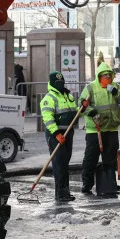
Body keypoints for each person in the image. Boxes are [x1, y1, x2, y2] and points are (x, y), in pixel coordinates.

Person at [79, 62, 120, 198]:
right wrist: (91, 112)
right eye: (104, 75)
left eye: (109, 75)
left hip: (111, 128)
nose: (107, 77)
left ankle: (110, 182)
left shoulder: (115, 87)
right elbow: (81, 105)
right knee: (90, 158)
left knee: (111, 159)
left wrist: (115, 92)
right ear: (99, 76)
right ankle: (87, 184)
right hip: (95, 129)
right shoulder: (91, 88)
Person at [39, 71, 78, 202]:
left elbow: (74, 113)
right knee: (59, 163)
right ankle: (60, 193)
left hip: (68, 132)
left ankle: (65, 191)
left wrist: (82, 110)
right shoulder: (49, 98)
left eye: (62, 82)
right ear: (52, 83)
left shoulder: (68, 96)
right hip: (55, 134)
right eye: (57, 82)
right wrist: (56, 134)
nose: (60, 84)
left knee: (65, 163)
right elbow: (48, 119)